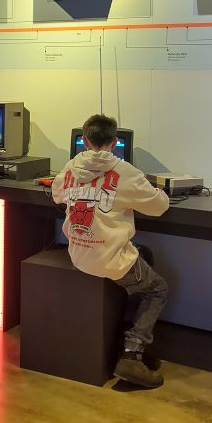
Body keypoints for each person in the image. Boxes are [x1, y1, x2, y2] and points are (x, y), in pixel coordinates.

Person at [52, 113, 170, 388]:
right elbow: (159, 207)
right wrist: (157, 192)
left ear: (84, 141)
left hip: (80, 254)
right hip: (108, 258)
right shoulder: (125, 171)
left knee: (144, 255)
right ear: (115, 142)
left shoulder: (70, 167)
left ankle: (123, 336)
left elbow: (58, 194)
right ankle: (131, 354)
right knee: (157, 289)